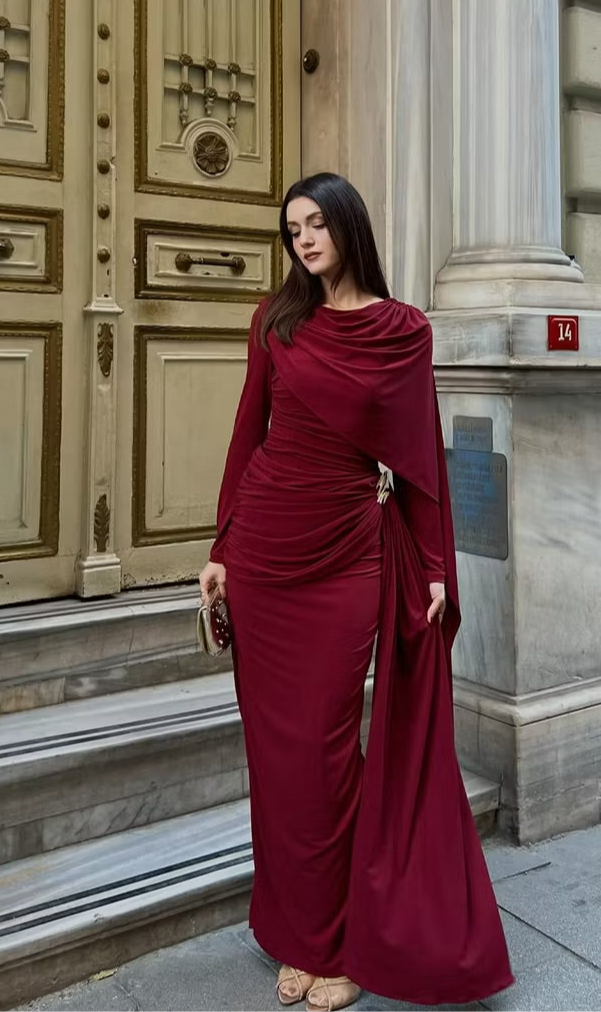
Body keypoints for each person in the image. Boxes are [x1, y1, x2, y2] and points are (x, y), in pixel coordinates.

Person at [199, 173, 514, 1010]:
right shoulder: (276, 322)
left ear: (347, 225)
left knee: (327, 748)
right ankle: (301, 932)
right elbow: (247, 437)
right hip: (266, 550)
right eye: (291, 228)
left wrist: (438, 566)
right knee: (279, 759)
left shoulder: (403, 330)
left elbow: (420, 459)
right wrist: (223, 546)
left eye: (315, 223)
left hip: (347, 559)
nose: (303, 239)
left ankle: (343, 939)